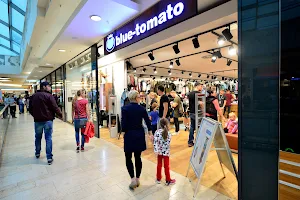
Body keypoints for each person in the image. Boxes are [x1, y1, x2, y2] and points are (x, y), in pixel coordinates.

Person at [121, 90, 153, 190]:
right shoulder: (142, 109)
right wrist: (150, 133)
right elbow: (148, 122)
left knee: (128, 157)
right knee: (138, 157)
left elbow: (124, 123)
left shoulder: (124, 108)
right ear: (136, 98)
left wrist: (123, 133)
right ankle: (138, 178)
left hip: (129, 134)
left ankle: (132, 178)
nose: (140, 98)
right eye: (139, 97)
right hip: (139, 133)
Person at [29, 82, 62, 165]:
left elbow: (30, 109)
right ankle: (49, 157)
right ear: (44, 87)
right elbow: (55, 107)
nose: (50, 88)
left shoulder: (33, 96)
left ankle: (37, 152)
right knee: (48, 138)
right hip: (48, 120)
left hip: (37, 121)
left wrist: (35, 115)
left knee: (38, 137)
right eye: (49, 86)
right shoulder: (49, 96)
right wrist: (61, 115)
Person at [153, 118, 176, 185]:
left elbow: (155, 142)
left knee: (159, 165)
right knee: (166, 166)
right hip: (166, 152)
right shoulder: (169, 133)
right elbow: (168, 143)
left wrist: (156, 150)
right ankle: (168, 180)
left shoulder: (157, 132)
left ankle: (158, 178)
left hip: (159, 152)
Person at [187, 82, 203, 147]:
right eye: (201, 86)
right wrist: (203, 111)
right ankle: (198, 141)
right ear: (197, 86)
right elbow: (201, 103)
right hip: (198, 112)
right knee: (199, 127)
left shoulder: (190, 93)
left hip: (191, 112)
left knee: (192, 127)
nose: (201, 88)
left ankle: (190, 141)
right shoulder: (199, 94)